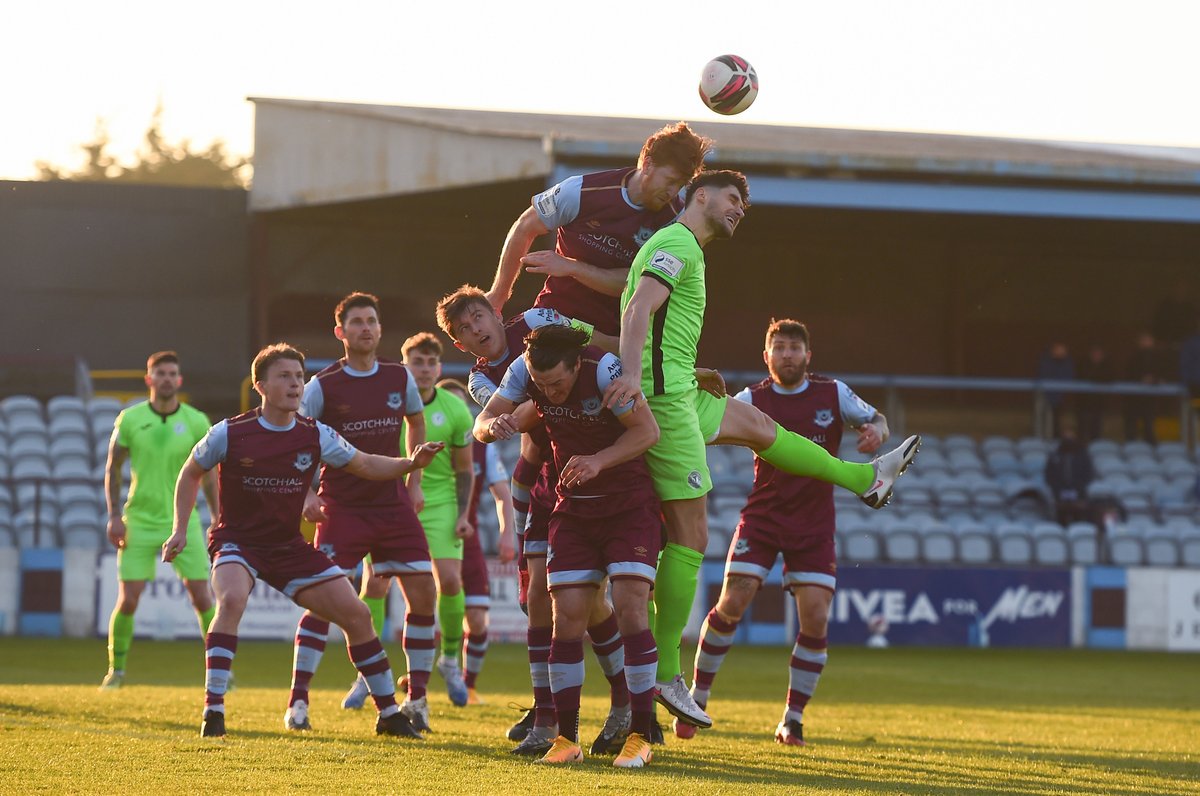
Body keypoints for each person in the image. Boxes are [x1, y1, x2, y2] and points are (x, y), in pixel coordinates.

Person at [603, 170, 920, 728]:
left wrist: (685, 369)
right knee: (692, 536)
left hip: (679, 389)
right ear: (700, 195)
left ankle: (862, 479)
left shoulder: (683, 248)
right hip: (664, 404)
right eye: (731, 200)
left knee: (758, 425)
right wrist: (633, 378)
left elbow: (650, 319)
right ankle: (665, 671)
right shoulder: (677, 243)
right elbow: (637, 311)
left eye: (743, 208)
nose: (738, 211)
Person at [162, 343, 441, 739]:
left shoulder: (316, 434)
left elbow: (364, 463)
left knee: (357, 615)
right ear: (260, 385)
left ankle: (390, 715)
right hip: (238, 542)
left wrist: (410, 463)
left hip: (288, 547)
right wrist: (179, 528)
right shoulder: (230, 432)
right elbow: (190, 473)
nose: (295, 384)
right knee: (232, 599)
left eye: (298, 376)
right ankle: (214, 710)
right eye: (284, 377)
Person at [435, 285, 641, 755]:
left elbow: (585, 359)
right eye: (463, 330)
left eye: (478, 318)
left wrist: (634, 367)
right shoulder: (480, 379)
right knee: (539, 598)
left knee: (591, 605)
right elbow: (496, 421)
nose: (475, 330)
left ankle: (615, 704)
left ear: (495, 312)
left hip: (602, 475)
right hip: (543, 483)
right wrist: (494, 424)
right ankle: (548, 712)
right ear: (459, 344)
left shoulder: (540, 323)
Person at [679, 319, 889, 747]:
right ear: (766, 356)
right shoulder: (751, 399)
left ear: (808, 356)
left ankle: (792, 720)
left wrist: (875, 432)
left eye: (795, 348)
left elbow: (878, 419)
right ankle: (696, 700)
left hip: (813, 523)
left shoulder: (834, 394)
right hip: (764, 516)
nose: (788, 355)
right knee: (732, 600)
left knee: (815, 617)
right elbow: (713, 421)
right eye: (780, 348)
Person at [476, 325, 662, 768]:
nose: (551, 393)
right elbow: (483, 425)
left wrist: (599, 461)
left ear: (576, 365)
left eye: (558, 383)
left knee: (631, 606)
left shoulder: (606, 372)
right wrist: (493, 425)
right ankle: (566, 738)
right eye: (542, 386)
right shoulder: (525, 372)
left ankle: (640, 733)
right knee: (567, 618)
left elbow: (647, 432)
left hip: (627, 507)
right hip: (572, 510)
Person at [283, 292, 439, 734]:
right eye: (356, 322)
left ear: (380, 329)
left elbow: (417, 423)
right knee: (323, 602)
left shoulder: (399, 377)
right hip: (342, 505)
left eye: (372, 321)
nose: (366, 328)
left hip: (391, 504)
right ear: (341, 332)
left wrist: (414, 482)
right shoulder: (322, 385)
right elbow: (297, 438)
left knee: (424, 595)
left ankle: (419, 700)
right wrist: (306, 493)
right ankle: (298, 701)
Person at [486, 121, 713, 336]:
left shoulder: (674, 223)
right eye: (670, 180)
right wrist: (498, 295)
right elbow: (525, 227)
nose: (673, 192)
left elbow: (634, 285)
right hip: (554, 318)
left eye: (680, 186)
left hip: (612, 337)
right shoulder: (580, 191)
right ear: (647, 165)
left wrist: (572, 267)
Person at [356, 333, 476, 706]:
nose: (424, 370)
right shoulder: (386, 403)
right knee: (374, 587)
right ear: (404, 366)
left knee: (450, 581)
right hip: (389, 503)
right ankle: (367, 672)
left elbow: (465, 470)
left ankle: (451, 661)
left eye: (430, 363)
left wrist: (463, 514)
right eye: (417, 362)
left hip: (438, 506)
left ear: (439, 368)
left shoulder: (455, 410)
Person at [100, 351, 217, 690]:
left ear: (179, 381)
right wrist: (113, 516)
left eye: (172, 374)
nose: (167, 379)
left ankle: (220, 673)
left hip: (185, 520)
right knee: (130, 598)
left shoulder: (197, 421)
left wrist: (218, 517)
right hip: (138, 519)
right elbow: (113, 468)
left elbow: (209, 476)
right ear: (149, 379)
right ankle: (116, 671)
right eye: (160, 373)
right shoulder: (130, 419)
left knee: (202, 597)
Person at [438, 377, 516, 704]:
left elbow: (502, 495)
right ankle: (418, 684)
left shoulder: (482, 452)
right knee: (425, 612)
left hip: (465, 537)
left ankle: (466, 684)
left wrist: (508, 532)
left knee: (479, 620)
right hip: (430, 536)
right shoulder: (427, 444)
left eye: (463, 406)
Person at [1044, 424, 1096, 527]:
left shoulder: (1083, 455)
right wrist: (1056, 487)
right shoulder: (1055, 455)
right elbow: (1049, 474)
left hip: (1078, 491)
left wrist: (1079, 486)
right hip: (1060, 492)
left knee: (1079, 519)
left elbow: (1088, 474)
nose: (1068, 440)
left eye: (1070, 437)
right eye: (1066, 437)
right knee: (1061, 519)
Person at [1124, 332, 1161, 443]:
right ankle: (1131, 444)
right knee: (1132, 422)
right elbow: (1129, 374)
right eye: (1144, 340)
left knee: (1149, 422)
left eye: (1148, 340)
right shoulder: (1133, 357)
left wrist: (1154, 379)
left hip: (1150, 397)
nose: (1146, 343)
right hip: (1135, 397)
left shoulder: (1157, 357)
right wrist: (1140, 379)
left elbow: (1163, 372)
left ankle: (1150, 445)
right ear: (1139, 342)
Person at [1075, 344, 1114, 442]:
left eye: (1099, 354)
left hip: (1098, 402)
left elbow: (1110, 378)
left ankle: (1095, 444)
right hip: (1084, 401)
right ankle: (1082, 444)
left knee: (1096, 426)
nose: (1097, 356)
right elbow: (1081, 376)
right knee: (1083, 425)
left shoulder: (1107, 366)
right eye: (1095, 354)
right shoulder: (1084, 365)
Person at [1037, 342, 1075, 439]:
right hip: (1046, 394)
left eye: (1062, 351)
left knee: (1058, 418)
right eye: (1058, 350)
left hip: (1060, 396)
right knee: (1043, 417)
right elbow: (1044, 375)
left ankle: (1055, 437)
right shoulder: (1046, 361)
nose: (1060, 353)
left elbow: (1068, 377)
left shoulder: (1067, 363)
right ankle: (1041, 438)